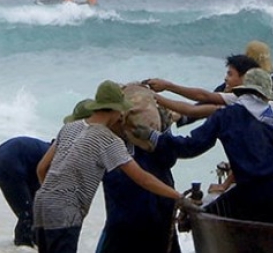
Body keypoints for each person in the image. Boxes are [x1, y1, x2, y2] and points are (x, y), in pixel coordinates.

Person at [139, 69, 273, 227]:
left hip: (248, 197)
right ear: (265, 96)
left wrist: (154, 137)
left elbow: (190, 147)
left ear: (243, 91)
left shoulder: (224, 116)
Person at [32, 80, 188, 253]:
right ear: (115, 109)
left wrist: (53, 196)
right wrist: (178, 197)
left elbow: (42, 168)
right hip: (67, 211)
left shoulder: (70, 127)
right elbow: (143, 179)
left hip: (41, 204)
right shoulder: (108, 140)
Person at [97, 102, 181, 253]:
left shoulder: (112, 143)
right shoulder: (155, 132)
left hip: (127, 220)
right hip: (155, 215)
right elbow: (168, 160)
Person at [0, 136, 52, 247]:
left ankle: (24, 244)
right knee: (28, 215)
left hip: (2, 164)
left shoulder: (47, 149)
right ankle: (22, 245)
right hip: (10, 165)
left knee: (30, 213)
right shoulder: (54, 157)